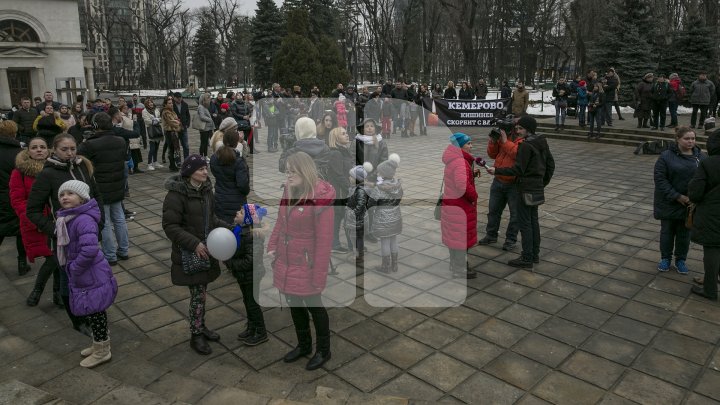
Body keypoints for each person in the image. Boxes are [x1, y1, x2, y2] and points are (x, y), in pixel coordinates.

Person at [26, 134, 101, 334]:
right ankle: (77, 320)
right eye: (64, 149)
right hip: (64, 239)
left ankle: (91, 309)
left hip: (86, 232)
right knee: (68, 279)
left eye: (73, 149)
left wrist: (99, 223)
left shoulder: (83, 166)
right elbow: (32, 210)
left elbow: (95, 195)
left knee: (89, 274)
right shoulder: (47, 174)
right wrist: (55, 231)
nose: (69, 153)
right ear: (54, 150)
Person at [267, 151, 335, 371]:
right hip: (287, 260)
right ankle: (304, 345)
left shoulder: (320, 200)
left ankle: (324, 350)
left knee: (315, 307)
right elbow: (280, 221)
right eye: (286, 171)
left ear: (304, 172)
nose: (288, 175)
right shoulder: (288, 190)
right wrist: (272, 246)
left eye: (292, 171)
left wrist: (319, 275)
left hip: (308, 264)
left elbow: (325, 241)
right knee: (294, 304)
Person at [162, 155, 232, 355]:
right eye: (200, 169)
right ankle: (196, 335)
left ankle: (200, 326)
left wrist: (230, 228)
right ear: (189, 172)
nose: (205, 172)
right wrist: (194, 244)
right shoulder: (176, 195)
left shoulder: (206, 190)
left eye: (205, 168)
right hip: (190, 252)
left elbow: (212, 219)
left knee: (201, 294)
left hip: (207, 251)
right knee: (198, 295)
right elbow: (170, 226)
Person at [55, 180, 117, 368]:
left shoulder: (82, 219)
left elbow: (89, 250)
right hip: (86, 272)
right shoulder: (70, 217)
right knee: (94, 312)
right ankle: (99, 344)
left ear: (82, 199)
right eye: (62, 194)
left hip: (89, 272)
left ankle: (102, 351)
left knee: (96, 311)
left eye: (70, 194)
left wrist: (74, 268)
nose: (65, 197)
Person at [488, 116, 555, 269]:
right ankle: (534, 255)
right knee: (533, 222)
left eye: (520, 129)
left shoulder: (526, 145)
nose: (517, 131)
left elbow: (518, 169)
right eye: (516, 128)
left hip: (525, 188)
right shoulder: (541, 141)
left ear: (528, 129)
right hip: (536, 188)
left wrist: (497, 170)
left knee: (525, 224)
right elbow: (550, 165)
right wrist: (541, 183)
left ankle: (526, 258)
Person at [78, 112, 130, 266]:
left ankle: (110, 254)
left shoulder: (89, 144)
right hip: (117, 184)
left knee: (105, 221)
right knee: (119, 218)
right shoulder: (120, 140)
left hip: (100, 188)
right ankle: (124, 250)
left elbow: (79, 159)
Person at [9, 137, 57, 305]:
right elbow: (17, 200)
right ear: (27, 151)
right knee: (54, 258)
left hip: (56, 220)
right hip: (35, 223)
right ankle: (39, 289)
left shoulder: (55, 167)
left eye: (42, 147)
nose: (39, 150)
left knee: (57, 257)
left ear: (48, 150)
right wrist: (35, 218)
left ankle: (55, 293)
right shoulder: (20, 172)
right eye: (34, 147)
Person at [653, 126, 705, 274]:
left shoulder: (701, 157)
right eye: (687, 138)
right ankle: (665, 259)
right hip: (669, 202)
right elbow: (660, 179)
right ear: (678, 139)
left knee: (684, 234)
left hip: (690, 204)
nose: (690, 141)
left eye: (693, 138)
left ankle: (681, 260)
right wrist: (677, 196)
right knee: (667, 232)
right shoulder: (666, 156)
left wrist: (696, 197)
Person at [226, 204, 269, 344]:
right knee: (247, 301)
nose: (237, 212)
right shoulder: (238, 230)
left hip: (251, 275)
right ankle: (252, 327)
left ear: (248, 219)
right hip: (243, 275)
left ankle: (261, 332)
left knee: (253, 304)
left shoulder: (253, 235)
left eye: (241, 211)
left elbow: (250, 261)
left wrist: (231, 264)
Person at [441, 133, 480, 279]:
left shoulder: (455, 159)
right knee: (461, 239)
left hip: (452, 205)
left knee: (455, 237)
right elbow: (462, 186)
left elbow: (457, 178)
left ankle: (455, 265)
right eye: (468, 143)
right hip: (460, 207)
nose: (471, 146)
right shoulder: (460, 162)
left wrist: (471, 173)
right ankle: (460, 269)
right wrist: (474, 196)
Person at [688, 129, 720, 300]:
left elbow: (696, 193)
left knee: (712, 248)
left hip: (713, 213)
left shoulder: (708, 163)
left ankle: (710, 289)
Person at [479, 122, 521, 251]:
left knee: (515, 214)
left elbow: (516, 154)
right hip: (498, 180)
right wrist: (493, 141)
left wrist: (504, 141)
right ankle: (491, 235)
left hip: (514, 183)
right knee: (493, 211)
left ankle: (510, 240)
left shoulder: (521, 140)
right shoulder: (502, 139)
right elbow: (493, 155)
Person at [0, 120, 29, 275]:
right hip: (15, 196)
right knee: (19, 230)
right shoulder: (19, 154)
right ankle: (22, 262)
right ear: (14, 133)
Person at [368, 155, 403, 273]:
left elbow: (372, 202)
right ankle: (395, 265)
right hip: (395, 217)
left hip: (383, 218)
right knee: (394, 240)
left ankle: (385, 266)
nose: (377, 174)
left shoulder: (379, 188)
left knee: (385, 241)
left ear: (383, 174)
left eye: (379, 173)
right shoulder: (397, 185)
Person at [327, 127, 355, 253]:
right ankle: (335, 244)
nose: (347, 135)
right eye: (343, 134)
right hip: (340, 192)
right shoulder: (336, 153)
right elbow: (339, 175)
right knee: (339, 218)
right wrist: (350, 188)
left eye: (346, 133)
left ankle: (350, 244)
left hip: (342, 190)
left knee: (345, 218)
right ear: (336, 138)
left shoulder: (343, 150)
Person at [354, 118, 388, 183]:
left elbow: (384, 161)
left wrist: (372, 176)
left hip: (376, 177)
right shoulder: (356, 142)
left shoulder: (381, 142)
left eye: (372, 126)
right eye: (367, 126)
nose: (369, 128)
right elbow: (352, 159)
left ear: (375, 128)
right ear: (362, 129)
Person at [161, 97, 182, 171]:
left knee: (174, 148)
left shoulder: (171, 111)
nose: (171, 104)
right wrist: (178, 122)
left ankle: (174, 164)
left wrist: (177, 121)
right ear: (165, 104)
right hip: (169, 132)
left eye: (172, 103)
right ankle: (172, 165)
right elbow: (172, 122)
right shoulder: (166, 112)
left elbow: (176, 120)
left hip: (174, 132)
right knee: (171, 149)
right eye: (169, 103)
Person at [142, 99, 163, 170]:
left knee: (157, 147)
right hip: (150, 130)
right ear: (146, 104)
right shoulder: (144, 111)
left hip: (157, 129)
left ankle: (155, 161)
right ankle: (149, 163)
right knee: (152, 148)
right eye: (149, 102)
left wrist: (157, 119)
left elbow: (160, 118)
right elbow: (146, 120)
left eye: (151, 102)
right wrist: (154, 120)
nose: (151, 103)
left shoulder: (156, 109)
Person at [172, 92, 191, 159]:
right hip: (175, 128)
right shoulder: (171, 105)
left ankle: (187, 159)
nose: (179, 99)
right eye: (177, 97)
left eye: (180, 97)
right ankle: (178, 160)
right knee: (176, 146)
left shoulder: (185, 104)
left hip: (184, 127)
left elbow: (188, 115)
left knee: (186, 145)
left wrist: (187, 124)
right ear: (174, 98)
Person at [197, 93, 216, 159]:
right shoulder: (200, 107)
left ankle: (205, 155)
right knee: (203, 143)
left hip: (208, 128)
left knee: (206, 143)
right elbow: (202, 117)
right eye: (207, 99)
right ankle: (201, 156)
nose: (209, 100)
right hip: (204, 128)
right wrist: (210, 119)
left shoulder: (205, 107)